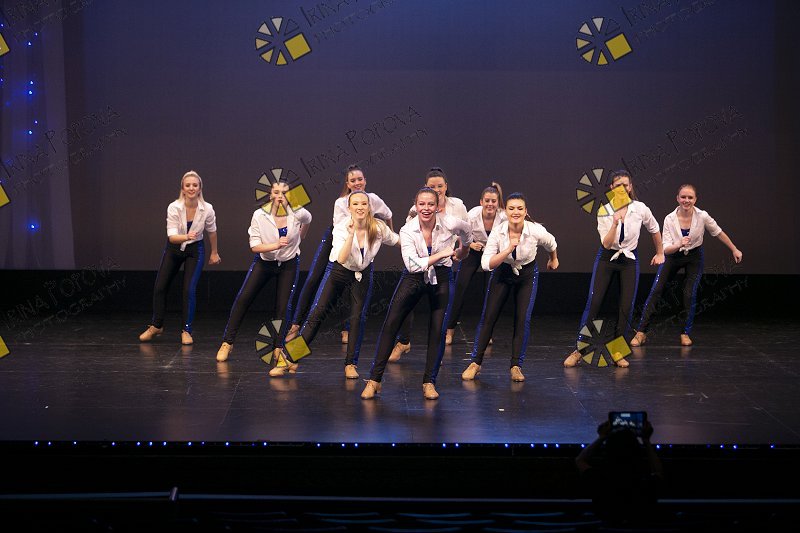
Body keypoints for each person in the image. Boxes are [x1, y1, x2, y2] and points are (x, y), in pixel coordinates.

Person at [270, 191, 399, 377]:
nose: (360, 207)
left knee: (357, 318)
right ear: (349, 208)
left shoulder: (378, 227)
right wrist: (351, 234)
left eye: (364, 204)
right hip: (338, 271)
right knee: (317, 315)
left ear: (369, 207)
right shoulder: (341, 227)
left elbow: (397, 241)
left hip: (362, 274)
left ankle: (351, 364)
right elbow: (342, 257)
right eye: (356, 204)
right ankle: (290, 358)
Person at [361, 187, 471, 400]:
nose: (426, 208)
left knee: (437, 329)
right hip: (414, 277)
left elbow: (467, 231)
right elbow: (413, 265)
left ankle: (429, 382)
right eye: (422, 204)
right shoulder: (407, 230)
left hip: (442, 275)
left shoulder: (450, 223)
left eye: (430, 204)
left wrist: (464, 250)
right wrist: (442, 253)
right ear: (416, 205)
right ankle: (374, 380)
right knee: (391, 323)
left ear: (437, 207)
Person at [564, 170, 664, 368]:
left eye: (625, 185)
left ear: (630, 187)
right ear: (611, 188)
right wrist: (615, 223)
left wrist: (660, 252)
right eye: (618, 185)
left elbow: (654, 229)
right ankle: (579, 350)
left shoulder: (640, 209)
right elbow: (606, 243)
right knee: (594, 304)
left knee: (626, 307)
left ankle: (618, 352)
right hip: (607, 258)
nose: (622, 189)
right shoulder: (604, 211)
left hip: (629, 260)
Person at [289, 165, 392, 346]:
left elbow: (388, 215)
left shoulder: (374, 202)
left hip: (359, 245)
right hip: (339, 241)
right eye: (353, 180)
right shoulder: (341, 203)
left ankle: (347, 339)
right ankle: (295, 328)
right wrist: (350, 239)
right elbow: (340, 233)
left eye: (360, 179)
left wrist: (386, 235)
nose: (357, 183)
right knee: (314, 282)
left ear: (365, 181)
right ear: (347, 184)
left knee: (354, 304)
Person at [461, 193, 558, 382]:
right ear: (505, 211)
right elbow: (486, 264)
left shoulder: (535, 230)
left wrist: (553, 259)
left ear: (526, 211)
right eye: (511, 208)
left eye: (520, 208)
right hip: (502, 272)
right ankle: (475, 363)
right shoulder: (498, 232)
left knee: (522, 319)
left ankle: (516, 366)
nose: (516, 212)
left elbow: (551, 243)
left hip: (527, 274)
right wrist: (507, 250)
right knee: (489, 316)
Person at [631, 184, 742, 347]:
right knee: (657, 290)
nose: (686, 200)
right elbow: (665, 248)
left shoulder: (702, 216)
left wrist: (734, 249)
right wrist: (678, 244)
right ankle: (641, 332)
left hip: (694, 257)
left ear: (695, 200)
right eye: (683, 197)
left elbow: (717, 232)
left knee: (689, 293)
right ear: (677, 198)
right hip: (673, 255)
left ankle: (685, 333)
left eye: (690, 197)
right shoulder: (669, 219)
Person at [215, 178, 311, 362]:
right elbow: (254, 246)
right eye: (276, 192)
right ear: (270, 195)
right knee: (243, 298)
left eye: (285, 193)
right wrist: (275, 245)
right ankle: (227, 342)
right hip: (265, 262)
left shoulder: (297, 212)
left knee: (283, 306)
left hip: (289, 263)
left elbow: (308, 219)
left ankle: (278, 345)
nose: (280, 196)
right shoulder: (260, 215)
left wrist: (301, 235)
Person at [389, 167, 469, 361]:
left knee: (438, 314)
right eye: (432, 186)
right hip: (420, 264)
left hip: (442, 266)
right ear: (426, 187)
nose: (437, 189)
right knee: (405, 306)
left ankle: (434, 355)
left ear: (446, 186)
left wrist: (463, 249)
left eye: (440, 186)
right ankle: (403, 341)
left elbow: (465, 229)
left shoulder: (457, 205)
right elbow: (409, 232)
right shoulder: (418, 208)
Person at [139, 171, 221, 346]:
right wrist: (186, 237)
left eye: (195, 185)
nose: (191, 188)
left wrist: (214, 252)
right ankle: (156, 325)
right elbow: (172, 237)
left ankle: (186, 330)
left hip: (195, 250)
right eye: (188, 185)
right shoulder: (174, 207)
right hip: (174, 249)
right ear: (182, 189)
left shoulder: (207, 208)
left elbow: (212, 231)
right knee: (160, 287)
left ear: (200, 189)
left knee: (188, 290)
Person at [445, 182, 507, 345]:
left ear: (497, 203)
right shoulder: (472, 214)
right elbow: (460, 232)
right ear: (481, 202)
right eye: (487, 200)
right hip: (473, 251)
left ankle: (486, 333)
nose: (490, 204)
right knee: (460, 287)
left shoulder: (503, 217)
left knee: (490, 292)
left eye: (493, 201)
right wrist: (471, 244)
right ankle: (449, 330)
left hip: (492, 253)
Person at [575, 418, 664, 524]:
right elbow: (658, 472)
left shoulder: (599, 481)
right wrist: (646, 441)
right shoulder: (647, 485)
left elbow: (580, 460)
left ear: (607, 453)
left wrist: (602, 437)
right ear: (637, 454)